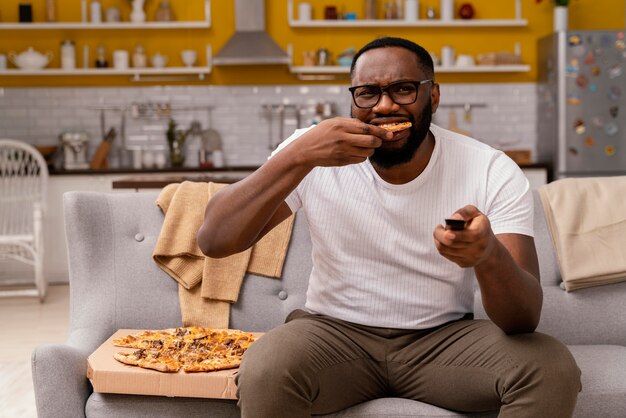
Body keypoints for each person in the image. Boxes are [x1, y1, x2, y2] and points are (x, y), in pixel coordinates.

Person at [197, 37, 581, 418]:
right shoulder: (310, 153)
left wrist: (487, 255)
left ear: (433, 97)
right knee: (265, 367)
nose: (384, 105)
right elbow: (215, 240)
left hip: (442, 341)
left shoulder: (489, 168)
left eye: (403, 89)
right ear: (352, 101)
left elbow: (524, 318)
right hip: (331, 336)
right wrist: (298, 156)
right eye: (368, 93)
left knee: (550, 367)